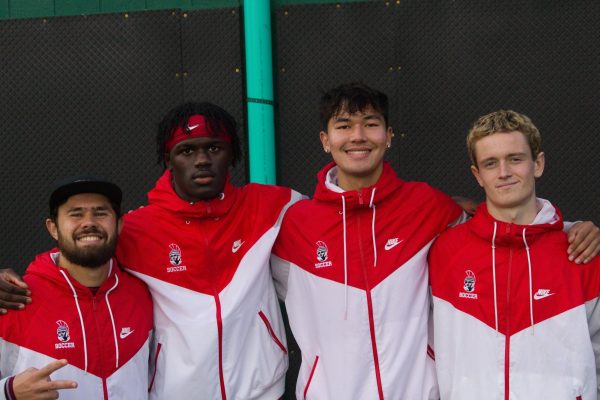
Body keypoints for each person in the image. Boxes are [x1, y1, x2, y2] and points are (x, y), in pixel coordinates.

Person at [270, 83, 600, 399]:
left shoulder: (428, 206)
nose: (358, 136)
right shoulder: (294, 224)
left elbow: (509, 230)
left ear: (388, 137)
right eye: (344, 125)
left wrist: (569, 230)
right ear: (325, 140)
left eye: (370, 124)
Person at [0, 103, 302, 399]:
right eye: (186, 150)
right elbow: (78, 251)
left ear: (232, 154)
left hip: (261, 391)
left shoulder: (274, 206)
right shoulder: (135, 228)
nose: (201, 160)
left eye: (214, 148)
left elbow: (333, 222)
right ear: (168, 159)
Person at [428, 110, 600, 399]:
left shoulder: (580, 251)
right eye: (491, 163)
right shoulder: (445, 251)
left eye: (515, 159)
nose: (504, 172)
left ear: (538, 164)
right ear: (477, 175)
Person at [0, 177, 153, 400]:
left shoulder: (143, 294)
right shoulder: (14, 299)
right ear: (53, 228)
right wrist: (8, 392)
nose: (89, 222)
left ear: (119, 224)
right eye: (76, 214)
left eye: (100, 213)